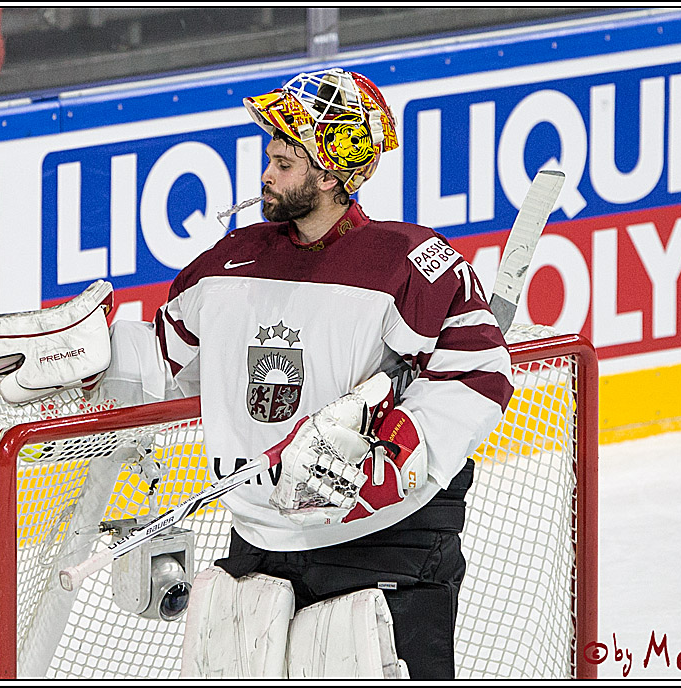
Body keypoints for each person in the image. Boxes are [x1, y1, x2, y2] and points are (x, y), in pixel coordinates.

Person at [99, 67, 515, 679]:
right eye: (270, 157)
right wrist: (82, 361)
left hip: (387, 539)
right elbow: (167, 360)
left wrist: (395, 458)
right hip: (261, 536)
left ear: (332, 172)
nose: (267, 174)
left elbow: (477, 372)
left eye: (286, 162)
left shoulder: (413, 263)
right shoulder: (231, 262)